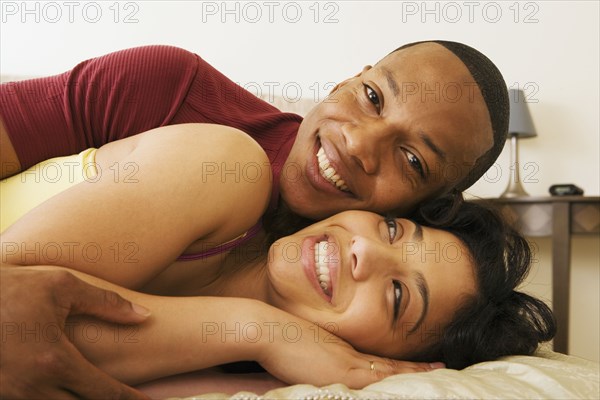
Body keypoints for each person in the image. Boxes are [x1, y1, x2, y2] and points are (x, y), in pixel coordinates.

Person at [0, 40, 510, 396]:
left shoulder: (303, 338)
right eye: (372, 96)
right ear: (346, 80)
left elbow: (58, 345)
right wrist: (256, 328)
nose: (357, 143)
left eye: (413, 160)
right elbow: (17, 317)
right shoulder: (206, 136)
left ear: (428, 208)